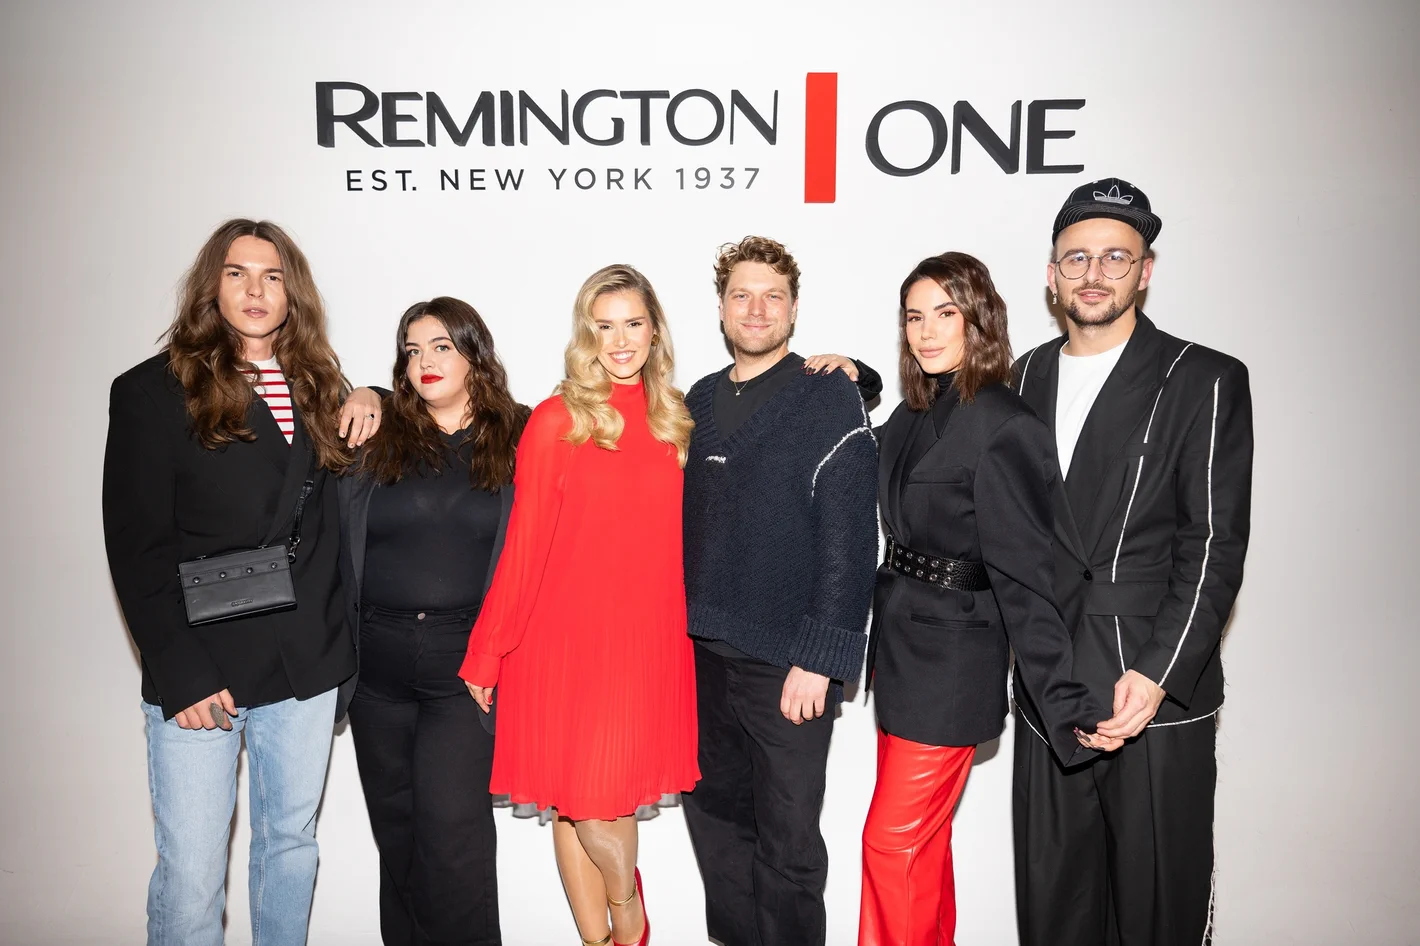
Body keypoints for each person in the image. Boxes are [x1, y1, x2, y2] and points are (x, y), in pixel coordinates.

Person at [102, 218, 380, 946]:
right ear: (211, 287)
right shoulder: (150, 391)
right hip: (202, 668)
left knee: (289, 848)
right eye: (237, 273)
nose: (256, 290)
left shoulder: (321, 386)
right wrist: (181, 672)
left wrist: (373, 391)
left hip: (305, 661)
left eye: (272, 276)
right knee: (193, 874)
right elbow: (136, 548)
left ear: (293, 293)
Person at [1011, 178, 1253, 946]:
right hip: (1048, 689)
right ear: (1051, 275)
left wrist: (1155, 675)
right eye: (1076, 257)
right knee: (1054, 912)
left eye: (1115, 257)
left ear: (1145, 271)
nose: (1094, 273)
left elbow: (1213, 545)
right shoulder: (1021, 378)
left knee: (1157, 912)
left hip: (1153, 686)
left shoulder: (1203, 378)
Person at [859, 252, 1112, 946]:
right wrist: (855, 378)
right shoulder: (914, 412)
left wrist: (1065, 701)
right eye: (914, 316)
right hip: (900, 657)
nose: (927, 331)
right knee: (920, 848)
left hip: (953, 669)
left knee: (890, 846)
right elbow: (859, 453)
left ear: (980, 320)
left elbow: (1029, 579)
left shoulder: (1006, 424)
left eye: (946, 313)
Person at [459, 264, 699, 946]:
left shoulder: (678, 418)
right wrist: (488, 649)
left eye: (633, 323)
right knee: (577, 803)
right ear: (584, 334)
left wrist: (846, 371)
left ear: (655, 331)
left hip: (645, 643)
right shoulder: (557, 420)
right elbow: (525, 544)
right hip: (561, 643)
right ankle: (623, 920)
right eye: (604, 326)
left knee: (591, 802)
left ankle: (621, 922)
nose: (620, 341)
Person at [681, 236, 880, 946]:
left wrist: (821, 657)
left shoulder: (828, 395)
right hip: (699, 657)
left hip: (786, 663)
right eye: (741, 295)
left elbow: (851, 537)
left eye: (773, 296)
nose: (756, 309)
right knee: (716, 823)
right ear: (721, 308)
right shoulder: (697, 400)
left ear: (794, 309)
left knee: (789, 839)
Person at [339, 297, 527, 946]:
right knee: (399, 839)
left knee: (454, 840)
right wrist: (364, 392)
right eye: (413, 350)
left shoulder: (521, 434)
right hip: (375, 668)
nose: (425, 361)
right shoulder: (376, 434)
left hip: (464, 668)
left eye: (442, 346)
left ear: (475, 353)